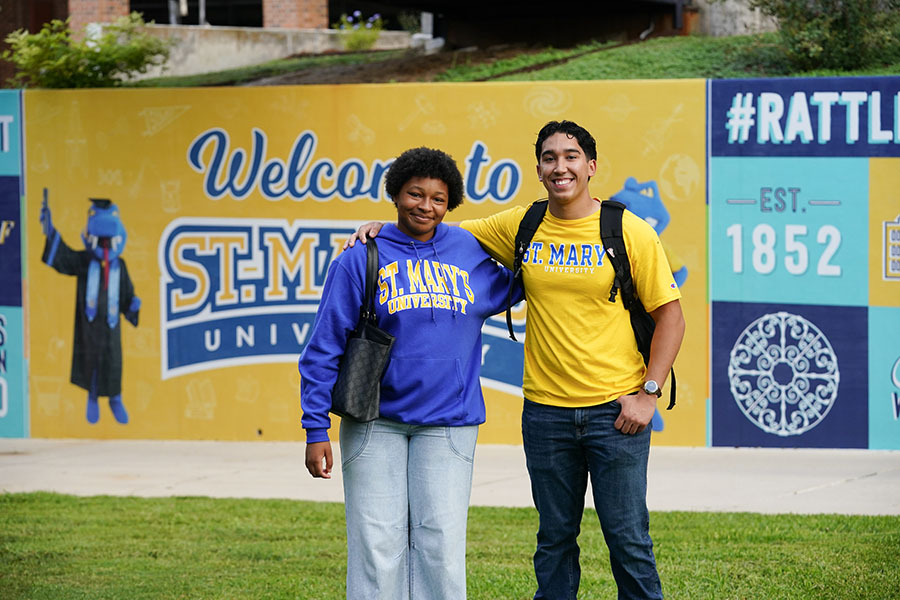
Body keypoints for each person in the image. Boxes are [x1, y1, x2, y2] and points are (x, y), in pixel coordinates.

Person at [347, 121, 685, 600]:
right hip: (546, 413)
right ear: (540, 169)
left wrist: (647, 394)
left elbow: (671, 316)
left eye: (571, 156)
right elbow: (435, 229)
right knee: (553, 543)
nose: (560, 166)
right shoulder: (522, 224)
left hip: (617, 413)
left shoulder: (627, 229)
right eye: (549, 158)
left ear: (591, 166)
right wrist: (383, 230)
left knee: (628, 542)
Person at [299, 146, 520, 600]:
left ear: (450, 203)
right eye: (414, 194)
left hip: (449, 422)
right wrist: (314, 427)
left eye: (438, 198)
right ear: (395, 195)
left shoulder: (468, 248)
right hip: (373, 421)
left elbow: (527, 276)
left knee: (440, 545)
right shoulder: (362, 254)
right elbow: (323, 346)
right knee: (375, 544)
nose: (425, 206)